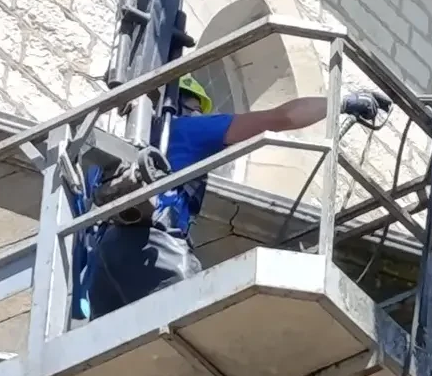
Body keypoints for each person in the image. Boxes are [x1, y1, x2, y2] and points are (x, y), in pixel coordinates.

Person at [82, 73, 387, 317]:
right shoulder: (186, 130)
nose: (198, 114)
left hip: (100, 268)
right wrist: (343, 102)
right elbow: (281, 117)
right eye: (195, 108)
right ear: (181, 104)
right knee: (197, 326)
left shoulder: (109, 162)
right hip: (152, 248)